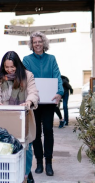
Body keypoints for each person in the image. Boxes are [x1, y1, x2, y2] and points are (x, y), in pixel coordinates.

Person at [0, 51, 39, 183]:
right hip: (4, 118)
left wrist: (29, 102)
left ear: (18, 65)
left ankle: (25, 175)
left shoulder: (27, 76)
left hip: (24, 118)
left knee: (26, 148)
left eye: (12, 67)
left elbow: (33, 92)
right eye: (7, 67)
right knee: (5, 147)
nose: (9, 70)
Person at [22, 31, 64, 176]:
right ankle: (39, 162)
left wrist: (59, 92)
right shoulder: (26, 60)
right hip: (34, 102)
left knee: (48, 130)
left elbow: (57, 76)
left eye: (40, 41)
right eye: (35, 42)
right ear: (31, 45)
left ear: (44, 43)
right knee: (36, 133)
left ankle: (49, 163)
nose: (37, 44)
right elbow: (24, 78)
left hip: (49, 101)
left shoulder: (51, 59)